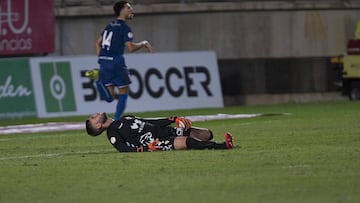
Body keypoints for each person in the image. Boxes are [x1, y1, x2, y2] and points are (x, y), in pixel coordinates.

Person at [86, 1, 153, 120]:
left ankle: (99, 83)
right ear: (122, 10)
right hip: (116, 62)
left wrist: (102, 59)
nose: (131, 10)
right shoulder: (124, 27)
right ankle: (116, 119)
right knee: (124, 90)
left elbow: (98, 43)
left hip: (104, 62)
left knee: (110, 97)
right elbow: (131, 48)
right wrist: (143, 43)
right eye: (128, 8)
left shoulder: (109, 25)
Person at [85, 112, 234, 152]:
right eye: (93, 117)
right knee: (187, 142)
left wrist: (173, 119)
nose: (96, 113)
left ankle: (204, 144)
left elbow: (150, 121)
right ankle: (223, 146)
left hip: (164, 130)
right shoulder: (112, 133)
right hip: (156, 142)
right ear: (98, 126)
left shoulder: (125, 118)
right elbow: (123, 148)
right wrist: (144, 149)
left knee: (207, 134)